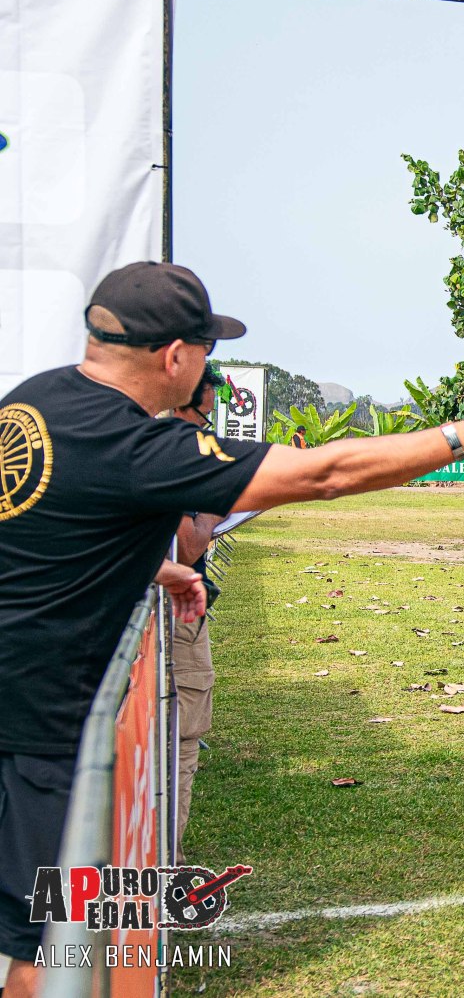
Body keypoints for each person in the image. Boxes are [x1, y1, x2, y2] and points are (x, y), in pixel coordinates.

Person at [0, 262, 464, 998]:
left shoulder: (32, 403)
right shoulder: (134, 447)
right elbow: (324, 473)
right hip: (40, 729)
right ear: (175, 357)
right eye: (206, 349)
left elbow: (49, 527)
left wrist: (156, 569)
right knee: (48, 952)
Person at [169, 365, 227, 860]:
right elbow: (187, 546)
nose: (206, 428)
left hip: (175, 612)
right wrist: (216, 506)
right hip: (174, 617)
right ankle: (167, 860)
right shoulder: (168, 453)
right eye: (204, 416)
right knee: (182, 741)